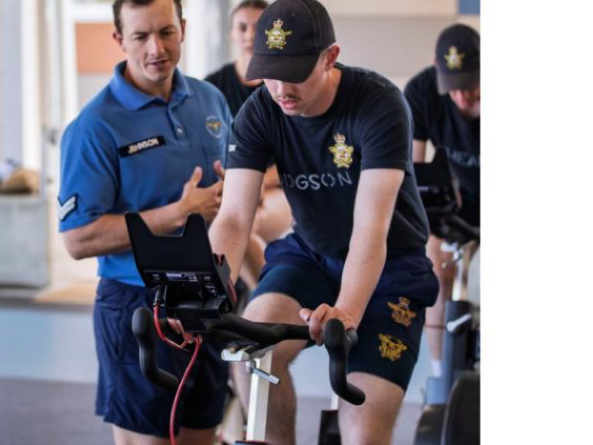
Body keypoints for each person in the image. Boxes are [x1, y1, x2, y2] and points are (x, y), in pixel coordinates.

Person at [207, 0, 439, 443]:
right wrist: (204, 291)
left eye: (293, 72)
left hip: (391, 266)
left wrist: (348, 310)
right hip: (311, 255)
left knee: (362, 430)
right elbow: (234, 217)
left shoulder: (379, 104)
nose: (279, 88)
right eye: (269, 72)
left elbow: (372, 227)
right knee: (252, 355)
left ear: (330, 57)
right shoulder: (260, 110)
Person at [56, 0, 232, 443]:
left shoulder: (211, 101)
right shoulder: (94, 127)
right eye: (140, 36)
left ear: (184, 29)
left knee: (202, 436)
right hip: (137, 305)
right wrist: (178, 213)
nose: (156, 48)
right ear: (119, 40)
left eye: (166, 32)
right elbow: (78, 238)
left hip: (207, 303)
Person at [404, 23, 480, 378]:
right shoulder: (421, 92)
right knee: (434, 275)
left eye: (472, 87)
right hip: (452, 202)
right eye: (454, 89)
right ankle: (440, 380)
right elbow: (412, 172)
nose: (463, 97)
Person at [205, 0, 293, 291]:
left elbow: (297, 156)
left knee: (244, 227)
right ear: (232, 32)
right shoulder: (213, 87)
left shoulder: (284, 89)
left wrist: (256, 185)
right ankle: (258, 304)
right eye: (242, 27)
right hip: (232, 187)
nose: (248, 35)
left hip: (276, 189)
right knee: (218, 226)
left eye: (258, 29)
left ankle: (266, 303)